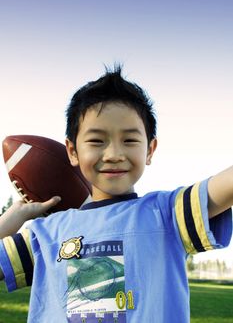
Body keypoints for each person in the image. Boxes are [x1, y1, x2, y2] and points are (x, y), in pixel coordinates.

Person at [0, 65, 232, 323]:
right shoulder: (46, 234)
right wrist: (11, 219)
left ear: (150, 150)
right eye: (97, 141)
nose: (113, 154)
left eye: (130, 140)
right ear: (72, 151)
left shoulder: (167, 214)